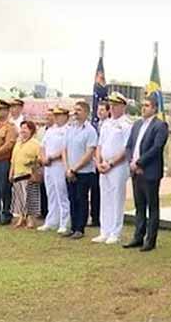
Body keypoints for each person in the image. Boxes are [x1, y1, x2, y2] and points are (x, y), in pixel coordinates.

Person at [124, 94, 169, 252]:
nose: (143, 108)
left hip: (149, 171)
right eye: (142, 105)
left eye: (147, 105)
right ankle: (138, 236)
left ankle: (150, 240)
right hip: (136, 171)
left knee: (152, 206)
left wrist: (139, 162)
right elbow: (129, 146)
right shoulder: (137, 124)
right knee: (139, 206)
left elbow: (156, 148)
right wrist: (131, 162)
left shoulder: (160, 125)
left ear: (155, 108)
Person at [94, 95, 132, 245]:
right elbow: (99, 145)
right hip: (103, 164)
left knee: (116, 198)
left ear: (123, 106)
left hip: (118, 166)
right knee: (105, 197)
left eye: (116, 105)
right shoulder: (106, 124)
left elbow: (125, 149)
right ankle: (105, 230)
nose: (113, 108)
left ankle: (115, 232)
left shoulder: (126, 124)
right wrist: (99, 162)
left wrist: (110, 163)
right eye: (112, 105)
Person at [64, 103, 98, 239]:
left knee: (81, 199)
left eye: (79, 110)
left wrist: (74, 169)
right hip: (70, 170)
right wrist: (67, 168)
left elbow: (89, 153)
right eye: (75, 109)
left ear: (86, 113)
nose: (75, 112)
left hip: (84, 172)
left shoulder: (90, 131)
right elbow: (64, 150)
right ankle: (72, 226)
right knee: (72, 199)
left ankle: (80, 228)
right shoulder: (70, 129)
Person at [39, 107, 70, 233]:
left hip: (59, 164)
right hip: (48, 165)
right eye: (55, 115)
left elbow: (65, 149)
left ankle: (65, 222)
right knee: (51, 193)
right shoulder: (50, 130)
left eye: (59, 115)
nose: (56, 117)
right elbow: (42, 146)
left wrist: (52, 157)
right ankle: (51, 221)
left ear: (65, 116)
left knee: (61, 193)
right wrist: (43, 158)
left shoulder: (68, 130)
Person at [10, 120, 42, 229]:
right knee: (19, 198)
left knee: (30, 198)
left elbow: (39, 160)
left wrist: (35, 171)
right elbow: (13, 160)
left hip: (29, 174)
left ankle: (30, 220)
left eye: (26, 128)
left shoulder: (35, 144)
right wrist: (11, 173)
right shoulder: (18, 143)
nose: (23, 131)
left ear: (31, 131)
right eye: (22, 128)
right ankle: (21, 218)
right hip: (17, 174)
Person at [91, 100, 111, 227]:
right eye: (98, 109)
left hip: (105, 162)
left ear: (108, 111)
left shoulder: (109, 125)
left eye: (103, 109)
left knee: (102, 192)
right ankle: (94, 217)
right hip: (94, 161)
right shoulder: (94, 124)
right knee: (94, 191)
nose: (99, 112)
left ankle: (101, 219)